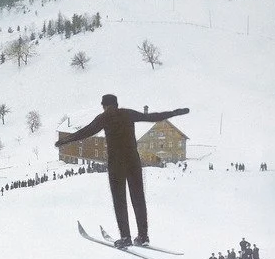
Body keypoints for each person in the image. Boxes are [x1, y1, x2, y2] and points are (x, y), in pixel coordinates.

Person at [55, 94, 190, 247]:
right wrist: (174, 112)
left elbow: (85, 132)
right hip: (133, 161)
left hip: (116, 163)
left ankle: (126, 237)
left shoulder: (103, 117)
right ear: (117, 104)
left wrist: (64, 141)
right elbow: (153, 117)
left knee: (120, 201)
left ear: (104, 105)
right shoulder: (127, 113)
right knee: (138, 198)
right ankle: (143, 236)